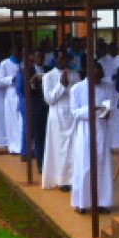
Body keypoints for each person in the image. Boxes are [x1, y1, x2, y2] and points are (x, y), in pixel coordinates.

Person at [70, 59, 115, 215]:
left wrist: (107, 112)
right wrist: (91, 109)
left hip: (102, 129)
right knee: (85, 165)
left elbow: (112, 107)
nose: (98, 77)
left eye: (100, 73)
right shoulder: (77, 89)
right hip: (85, 130)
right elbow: (74, 112)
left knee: (102, 166)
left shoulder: (107, 88)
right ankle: (82, 202)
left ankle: (102, 202)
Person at [41, 50, 79, 190]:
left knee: (73, 148)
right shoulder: (48, 77)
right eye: (61, 58)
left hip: (72, 115)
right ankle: (62, 180)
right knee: (59, 149)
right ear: (56, 59)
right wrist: (61, 85)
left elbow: (78, 94)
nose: (64, 61)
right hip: (57, 116)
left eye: (66, 58)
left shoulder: (75, 75)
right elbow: (49, 99)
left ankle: (73, 178)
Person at [0, 48, 23, 154]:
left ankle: (22, 145)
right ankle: (14, 146)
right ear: (13, 51)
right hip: (12, 93)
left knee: (21, 121)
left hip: (22, 94)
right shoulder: (5, 63)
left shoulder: (24, 62)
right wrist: (11, 79)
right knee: (12, 120)